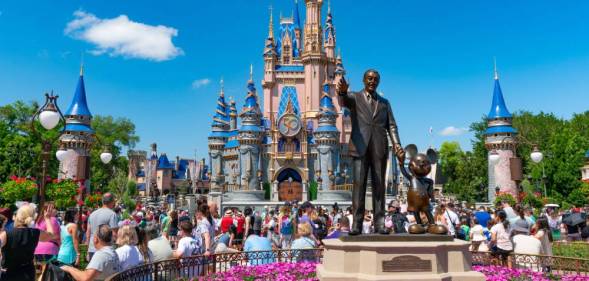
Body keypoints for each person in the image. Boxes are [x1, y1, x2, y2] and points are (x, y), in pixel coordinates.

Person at [336, 69, 405, 235]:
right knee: (358, 186)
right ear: (363, 80)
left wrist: (397, 145)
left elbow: (392, 126)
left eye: (375, 79)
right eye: (369, 78)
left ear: (378, 82)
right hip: (360, 146)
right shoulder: (354, 97)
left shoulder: (384, 103)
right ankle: (357, 225)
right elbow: (343, 101)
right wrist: (343, 92)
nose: (372, 81)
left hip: (379, 147)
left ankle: (380, 223)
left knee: (379, 185)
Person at [0, 204, 57, 281]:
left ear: (18, 216)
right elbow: (51, 235)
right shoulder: (35, 233)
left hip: (10, 273)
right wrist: (47, 219)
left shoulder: (6, 234)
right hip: (28, 273)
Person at [87, 193, 119, 260]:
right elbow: (114, 234)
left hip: (92, 248)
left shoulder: (92, 214)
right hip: (105, 249)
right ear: (112, 202)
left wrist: (88, 249)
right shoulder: (112, 214)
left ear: (102, 201)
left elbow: (88, 233)